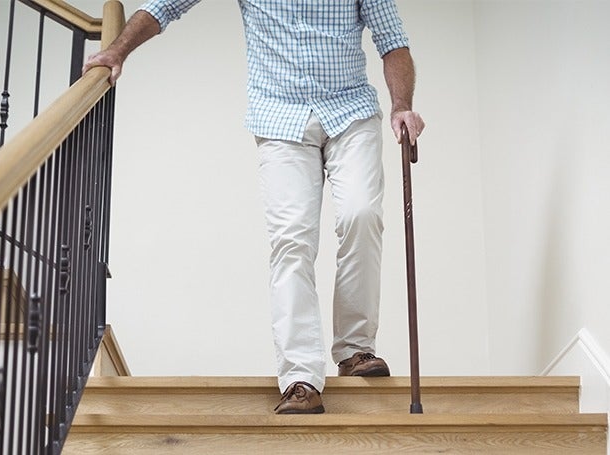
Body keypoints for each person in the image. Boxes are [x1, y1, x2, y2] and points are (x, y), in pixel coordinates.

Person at [83, 0, 425, 414]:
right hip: (279, 118)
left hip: (350, 112)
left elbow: (393, 41)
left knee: (362, 215)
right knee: (292, 239)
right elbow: (165, 6)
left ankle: (355, 350)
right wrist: (118, 51)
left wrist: (401, 105)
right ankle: (300, 376)